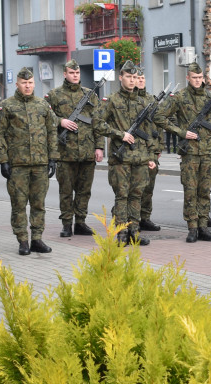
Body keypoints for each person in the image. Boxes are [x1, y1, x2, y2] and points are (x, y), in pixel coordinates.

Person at [0, 67, 57, 255]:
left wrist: (53, 158)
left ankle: (37, 238)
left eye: (30, 83)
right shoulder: (7, 106)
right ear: (17, 84)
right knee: (19, 204)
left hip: (40, 163)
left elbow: (52, 131)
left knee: (39, 204)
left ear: (34, 84)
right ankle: (22, 240)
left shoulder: (43, 106)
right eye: (24, 83)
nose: (27, 86)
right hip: (17, 164)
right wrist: (3, 160)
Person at [92, 60, 154, 245]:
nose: (132, 80)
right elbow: (97, 122)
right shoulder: (112, 100)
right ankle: (121, 233)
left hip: (140, 157)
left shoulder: (144, 102)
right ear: (121, 78)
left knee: (137, 196)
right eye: (128, 77)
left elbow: (149, 132)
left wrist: (151, 156)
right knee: (122, 196)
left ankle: (134, 232)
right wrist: (120, 134)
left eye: (135, 77)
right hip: (121, 158)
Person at [161, 62, 211, 242]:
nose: (197, 80)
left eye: (200, 77)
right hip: (190, 152)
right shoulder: (179, 97)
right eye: (194, 78)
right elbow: (159, 116)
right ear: (188, 78)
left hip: (208, 152)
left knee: (205, 191)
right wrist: (181, 132)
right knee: (190, 190)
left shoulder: (210, 97)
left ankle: (203, 226)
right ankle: (192, 227)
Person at [45, 59, 102, 237]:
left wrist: (99, 147)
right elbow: (45, 117)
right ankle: (67, 223)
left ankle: (81, 222)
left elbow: (97, 123)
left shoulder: (90, 95)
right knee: (66, 190)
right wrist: (60, 121)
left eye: (77, 73)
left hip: (87, 150)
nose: (75, 76)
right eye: (72, 73)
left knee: (84, 190)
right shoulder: (54, 95)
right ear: (65, 74)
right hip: (65, 151)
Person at [136, 70, 163, 233]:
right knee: (135, 187)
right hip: (136, 149)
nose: (140, 81)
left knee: (149, 186)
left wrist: (159, 146)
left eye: (142, 78)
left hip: (151, 148)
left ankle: (145, 217)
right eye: (137, 78)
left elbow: (158, 125)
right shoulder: (130, 100)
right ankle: (130, 217)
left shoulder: (151, 99)